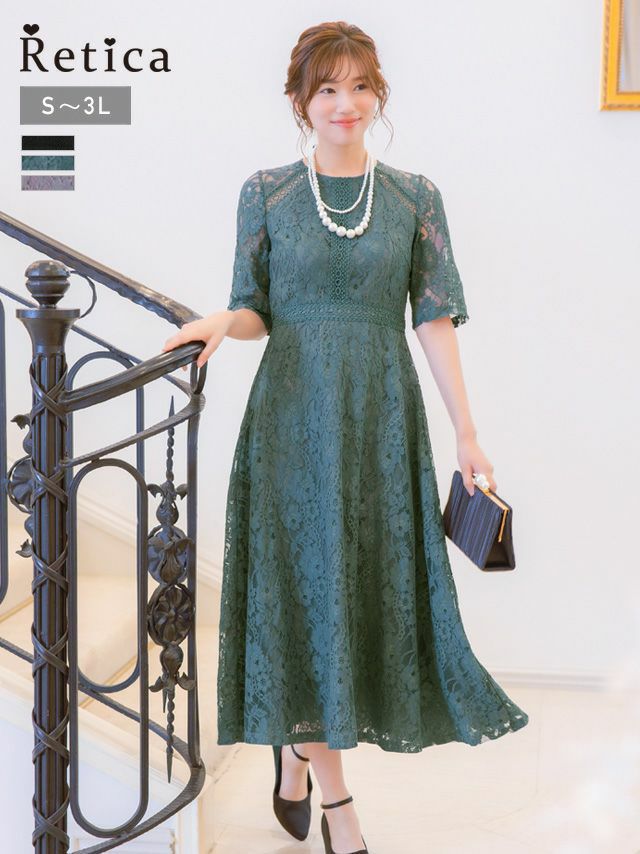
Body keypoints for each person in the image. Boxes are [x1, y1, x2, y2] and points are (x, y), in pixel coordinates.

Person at [162, 20, 529, 854]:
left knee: (356, 595)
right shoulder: (266, 193)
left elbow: (433, 317)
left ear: (378, 95)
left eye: (360, 86)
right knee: (305, 595)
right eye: (327, 88)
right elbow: (256, 307)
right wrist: (222, 320)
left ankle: (296, 758)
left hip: (379, 421)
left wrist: (467, 432)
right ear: (301, 101)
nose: (345, 103)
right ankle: (339, 806)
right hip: (291, 424)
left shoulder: (413, 198)